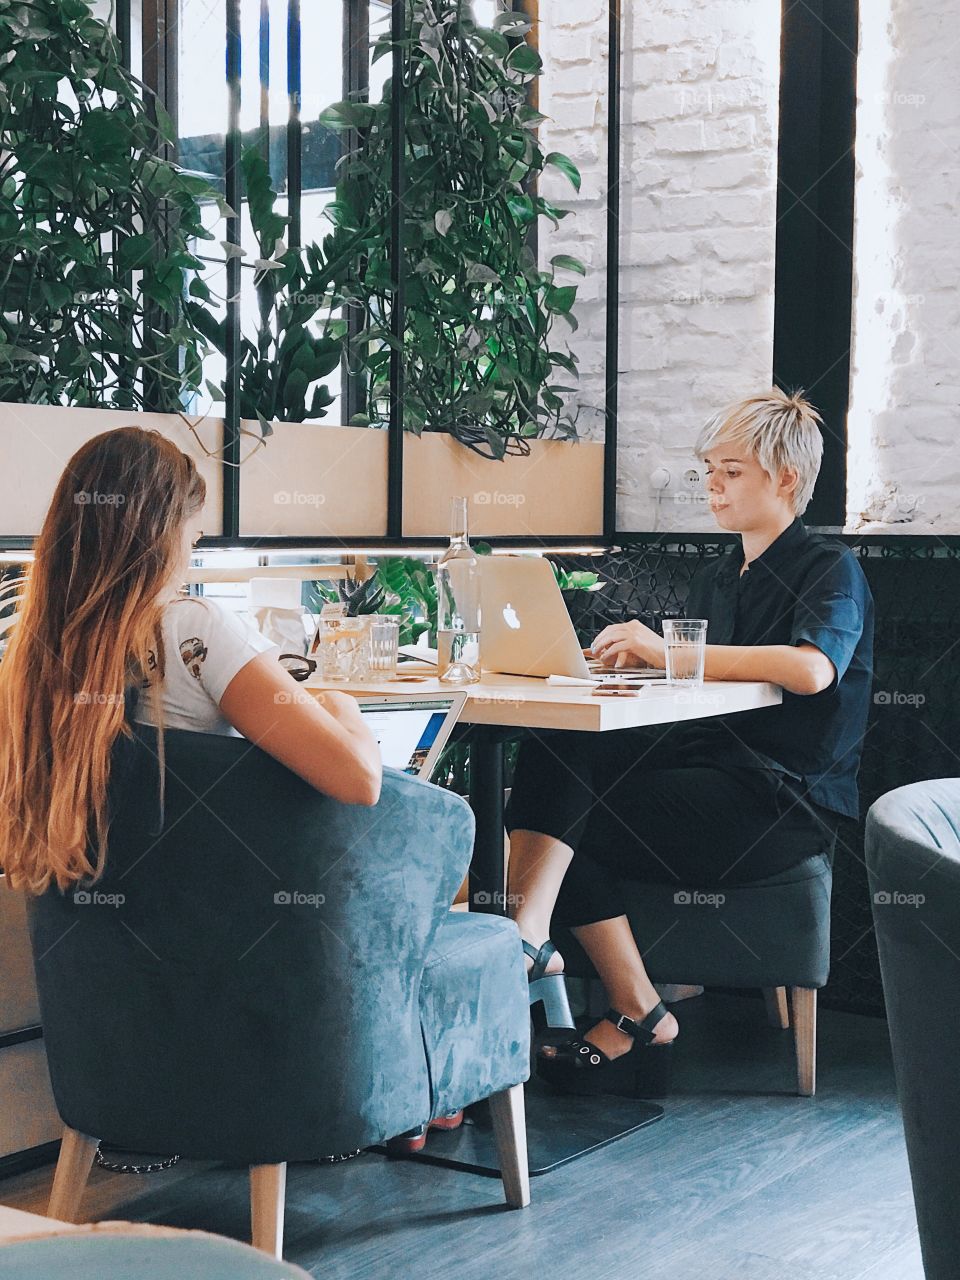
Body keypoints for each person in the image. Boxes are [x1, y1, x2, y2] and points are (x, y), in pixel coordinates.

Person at [505, 388, 874, 1098]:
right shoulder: (716, 575)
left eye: (731, 471)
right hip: (704, 775)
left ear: (785, 479)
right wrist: (624, 673)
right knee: (554, 758)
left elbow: (809, 669)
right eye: (709, 468)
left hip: (778, 803)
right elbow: (697, 695)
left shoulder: (831, 570)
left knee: (564, 821)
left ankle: (581, 975)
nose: (712, 484)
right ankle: (564, 958)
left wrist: (666, 654)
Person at [0, 427, 382, 896]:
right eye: (191, 529)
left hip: (90, 949)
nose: (195, 540)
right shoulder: (190, 631)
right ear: (160, 533)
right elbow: (358, 780)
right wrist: (343, 707)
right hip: (212, 924)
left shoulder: (32, 652)